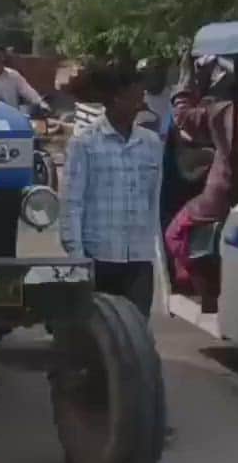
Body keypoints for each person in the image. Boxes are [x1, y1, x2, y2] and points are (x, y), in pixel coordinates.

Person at [163, 48, 238, 309]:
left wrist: (186, 81)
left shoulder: (226, 113)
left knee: (174, 234)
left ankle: (206, 288)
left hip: (223, 200)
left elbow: (183, 117)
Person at [59, 60, 162, 317]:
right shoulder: (84, 144)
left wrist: (153, 251)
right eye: (135, 98)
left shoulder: (150, 143)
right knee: (102, 337)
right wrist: (78, 259)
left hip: (139, 259)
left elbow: (154, 201)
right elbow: (72, 203)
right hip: (100, 259)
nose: (141, 105)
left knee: (136, 337)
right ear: (116, 99)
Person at [0, 46, 50, 114]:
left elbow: (28, 91)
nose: (1, 62)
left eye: (3, 60)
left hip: (12, 115)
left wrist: (41, 103)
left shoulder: (13, 76)